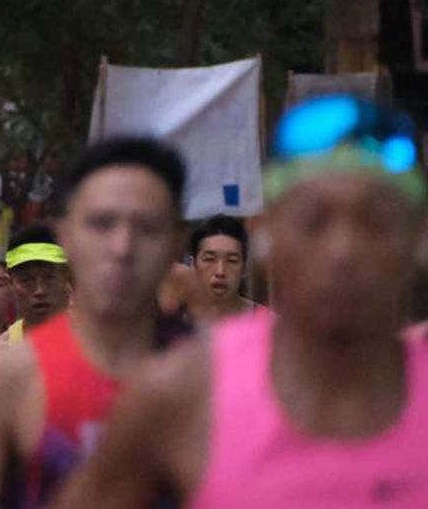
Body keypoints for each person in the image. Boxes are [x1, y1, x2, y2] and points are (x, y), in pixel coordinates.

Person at [50, 94, 428, 508]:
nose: (343, 252)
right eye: (312, 220)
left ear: (418, 235)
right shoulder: (184, 393)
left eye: (377, 222)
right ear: (265, 233)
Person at [0, 139, 187, 509]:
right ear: (67, 236)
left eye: (146, 226)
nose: (122, 247)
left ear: (177, 242)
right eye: (102, 224)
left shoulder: (220, 374)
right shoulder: (7, 376)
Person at [0, 226, 70, 343]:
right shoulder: (0, 352)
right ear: (9, 282)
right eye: (26, 280)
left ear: (67, 278)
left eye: (49, 277)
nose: (39, 290)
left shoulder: (96, 346)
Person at [183, 214, 260, 325]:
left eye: (232, 260)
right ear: (193, 264)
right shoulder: (173, 324)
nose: (220, 271)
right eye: (209, 259)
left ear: (244, 268)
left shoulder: (269, 325)